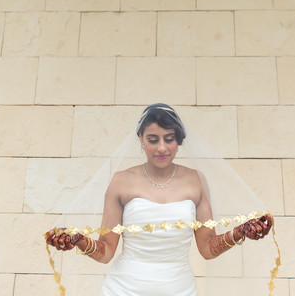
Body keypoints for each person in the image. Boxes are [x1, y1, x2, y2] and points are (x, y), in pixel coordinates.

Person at [45, 103, 274, 296]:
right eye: (153, 139)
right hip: (123, 289)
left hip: (179, 288)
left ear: (179, 140)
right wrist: (79, 241)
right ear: (141, 139)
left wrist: (239, 232)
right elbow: (105, 252)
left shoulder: (196, 180)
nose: (161, 147)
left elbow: (206, 248)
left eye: (169, 139)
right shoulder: (121, 181)